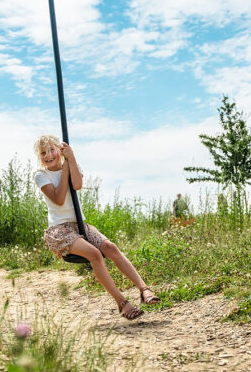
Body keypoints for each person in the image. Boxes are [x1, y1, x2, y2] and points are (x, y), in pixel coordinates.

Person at [33, 134, 160, 320]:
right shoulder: (41, 175)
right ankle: (122, 303)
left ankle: (144, 289)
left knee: (110, 248)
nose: (48, 155)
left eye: (52, 150)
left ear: (60, 150)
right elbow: (59, 200)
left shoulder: (71, 163)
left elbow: (77, 185)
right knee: (94, 254)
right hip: (60, 230)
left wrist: (71, 159)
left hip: (80, 225)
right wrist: (66, 166)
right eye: (43, 152)